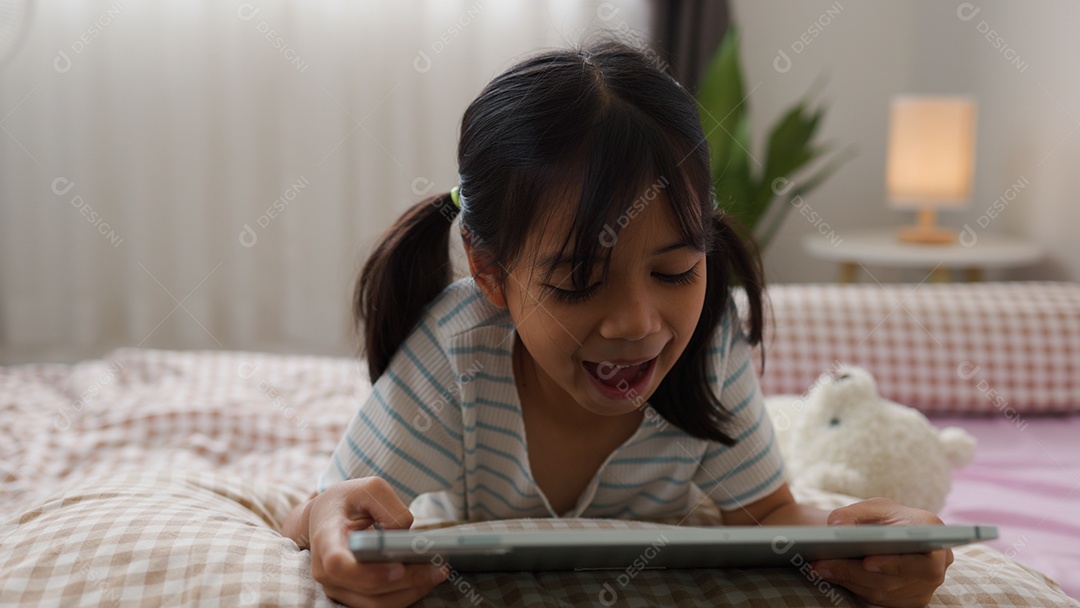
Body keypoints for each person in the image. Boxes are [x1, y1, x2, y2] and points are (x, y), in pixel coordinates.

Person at [282, 40, 951, 608]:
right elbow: (321, 512)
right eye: (577, 281)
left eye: (675, 272)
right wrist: (331, 525)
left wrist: (865, 545)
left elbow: (770, 512)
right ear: (490, 274)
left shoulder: (709, 342)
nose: (637, 323)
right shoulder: (457, 349)